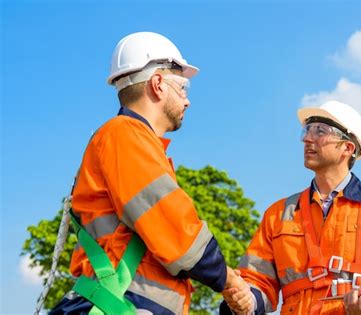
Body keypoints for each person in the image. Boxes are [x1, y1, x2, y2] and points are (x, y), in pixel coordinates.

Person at [50, 31, 248, 314]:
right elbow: (175, 230)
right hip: (119, 303)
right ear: (158, 84)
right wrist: (230, 281)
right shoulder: (125, 135)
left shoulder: (126, 141)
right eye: (183, 88)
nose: (187, 101)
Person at [220, 100, 361, 314]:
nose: (308, 138)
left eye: (321, 131)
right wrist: (243, 299)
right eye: (307, 130)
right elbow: (258, 282)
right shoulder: (278, 214)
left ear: (348, 147)